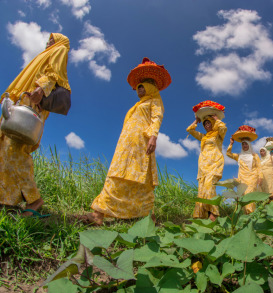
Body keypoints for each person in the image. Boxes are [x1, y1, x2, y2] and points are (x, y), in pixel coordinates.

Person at [82, 58, 170, 225]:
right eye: (138, 88)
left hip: (141, 143)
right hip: (126, 144)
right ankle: (99, 214)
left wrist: (153, 136)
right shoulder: (138, 105)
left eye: (142, 87)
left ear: (150, 87)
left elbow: (157, 118)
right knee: (118, 173)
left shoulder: (155, 101)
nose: (139, 90)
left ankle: (147, 217)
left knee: (141, 178)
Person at [0, 33, 71, 217]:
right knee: (4, 150)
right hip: (18, 100)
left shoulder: (60, 49)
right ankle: (7, 200)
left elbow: (54, 72)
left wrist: (42, 88)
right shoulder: (42, 55)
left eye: (52, 39)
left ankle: (34, 200)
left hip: (31, 100)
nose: (49, 42)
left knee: (15, 148)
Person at [187, 109, 227, 221]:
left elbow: (223, 128)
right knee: (202, 190)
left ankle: (214, 214)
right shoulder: (203, 137)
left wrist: (217, 119)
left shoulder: (218, 135)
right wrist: (196, 121)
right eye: (205, 124)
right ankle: (201, 215)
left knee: (210, 188)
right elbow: (190, 130)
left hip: (215, 164)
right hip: (203, 166)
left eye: (209, 122)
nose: (207, 125)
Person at [227, 125, 262, 214]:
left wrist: (260, 177)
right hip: (242, 180)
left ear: (249, 145)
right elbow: (228, 154)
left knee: (249, 197)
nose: (244, 145)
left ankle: (250, 216)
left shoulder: (255, 156)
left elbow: (259, 167)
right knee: (242, 198)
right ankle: (242, 218)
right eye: (243, 144)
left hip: (252, 179)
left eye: (246, 144)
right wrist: (231, 144)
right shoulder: (239, 156)